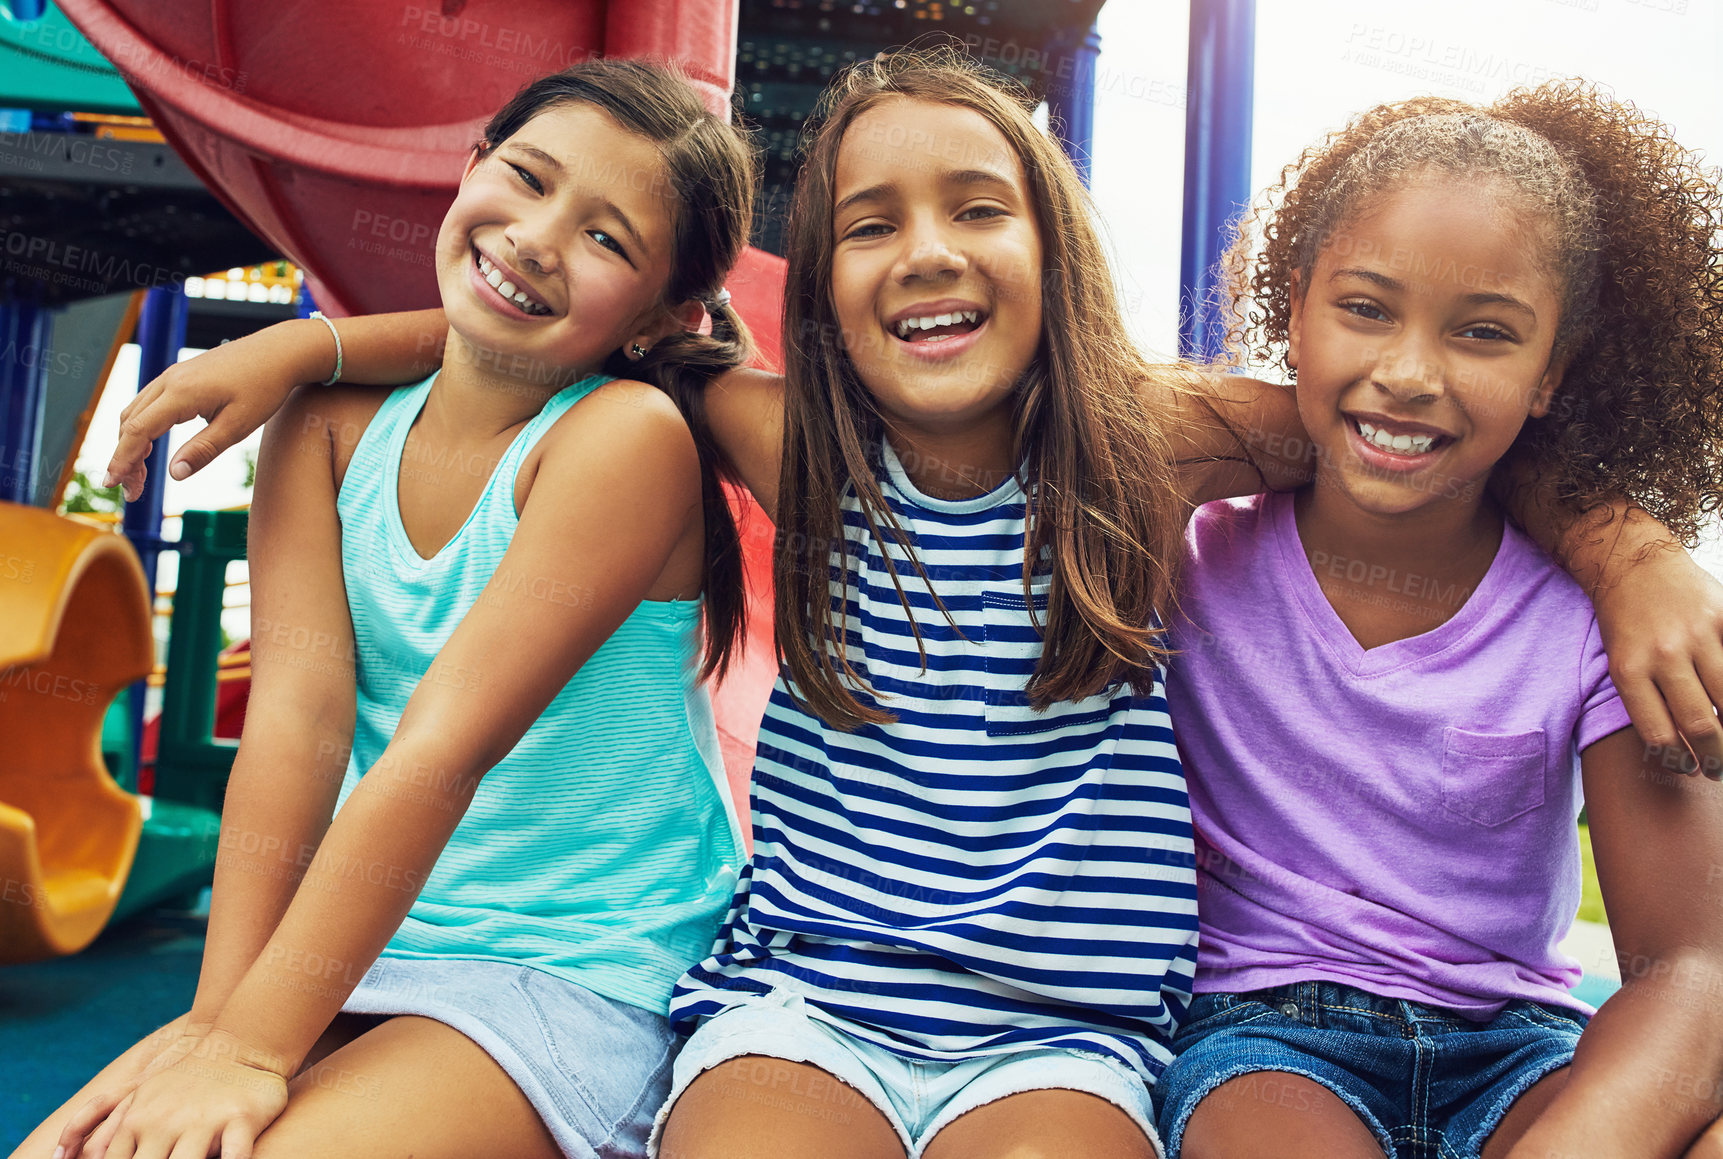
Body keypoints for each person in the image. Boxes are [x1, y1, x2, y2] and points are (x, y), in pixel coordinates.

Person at [93, 51, 1723, 1159]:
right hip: (802, 998)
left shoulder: (1153, 446)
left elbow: (1418, 435)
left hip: (1069, 1031)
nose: (923, 250)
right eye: (868, 222)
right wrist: (310, 346)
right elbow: (571, 335)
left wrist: (1630, 546)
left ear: (1050, 246)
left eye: (975, 206)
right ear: (819, 282)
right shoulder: (779, 444)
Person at [17, 59, 756, 1159]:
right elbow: (297, 724)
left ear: (663, 314)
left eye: (608, 239)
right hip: (368, 939)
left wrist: (257, 1052)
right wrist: (216, 1022)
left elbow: (441, 748)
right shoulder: (320, 426)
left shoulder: (622, 439)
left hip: (576, 964)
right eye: (527, 178)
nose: (540, 238)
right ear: (469, 171)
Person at [1157, 85, 1723, 1159]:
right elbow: (1140, 417)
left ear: (1549, 371)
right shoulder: (1198, 552)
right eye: (1364, 308)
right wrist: (1621, 535)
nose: (1410, 373)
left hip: (1516, 1049)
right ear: (1292, 309)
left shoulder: (1594, 622)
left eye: (1482, 333)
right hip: (1264, 1045)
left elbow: (1691, 969)